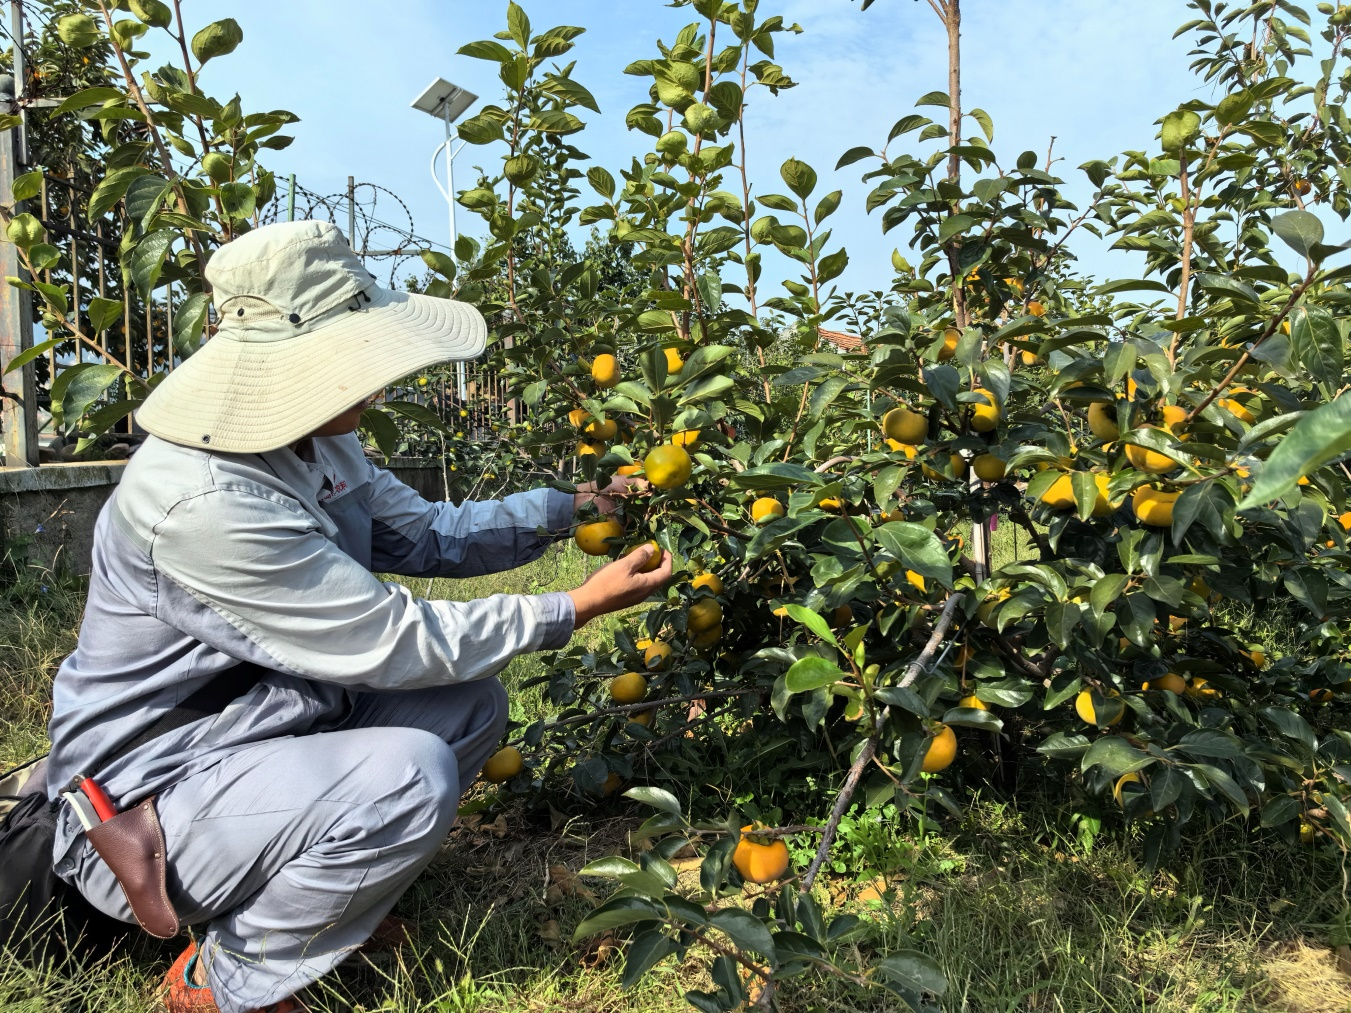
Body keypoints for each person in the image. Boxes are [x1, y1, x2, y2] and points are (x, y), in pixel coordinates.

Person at [43, 220, 670, 1013]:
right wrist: (574, 607)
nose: (378, 382)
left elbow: (429, 535)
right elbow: (391, 640)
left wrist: (570, 507)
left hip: (260, 736)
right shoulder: (202, 502)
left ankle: (315, 903)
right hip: (147, 805)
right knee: (404, 774)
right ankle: (223, 980)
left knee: (470, 703)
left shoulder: (319, 444)